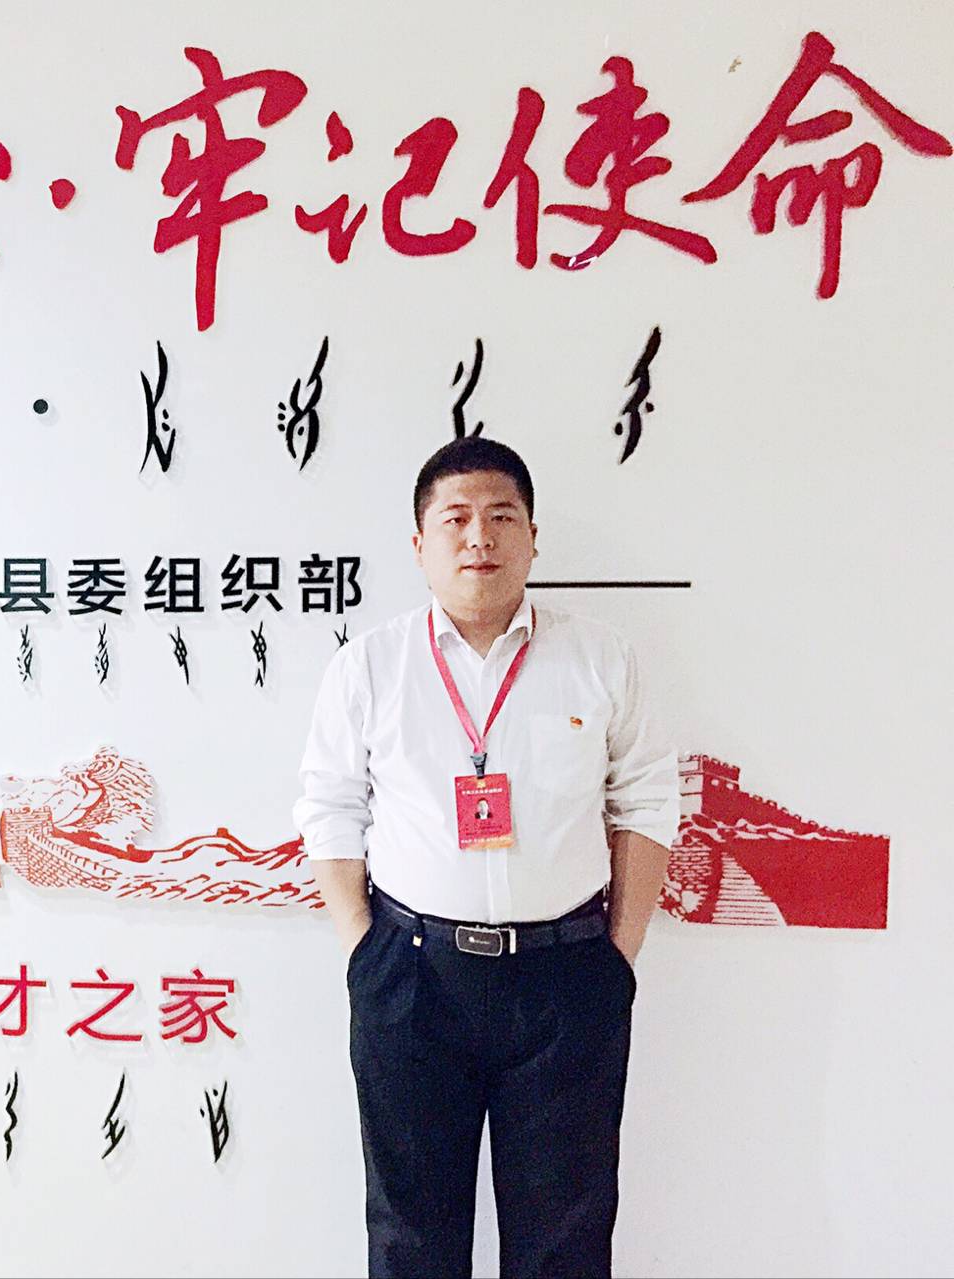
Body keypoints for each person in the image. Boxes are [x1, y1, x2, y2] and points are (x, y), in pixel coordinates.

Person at [293, 436, 679, 1278]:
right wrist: (365, 948)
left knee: (564, 1242)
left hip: (566, 976)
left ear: (533, 537)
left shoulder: (600, 659)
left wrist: (617, 954)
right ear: (419, 543)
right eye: (456, 519)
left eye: (502, 516)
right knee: (411, 1237)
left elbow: (648, 800)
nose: (480, 537)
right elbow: (329, 809)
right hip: (412, 976)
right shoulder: (370, 666)